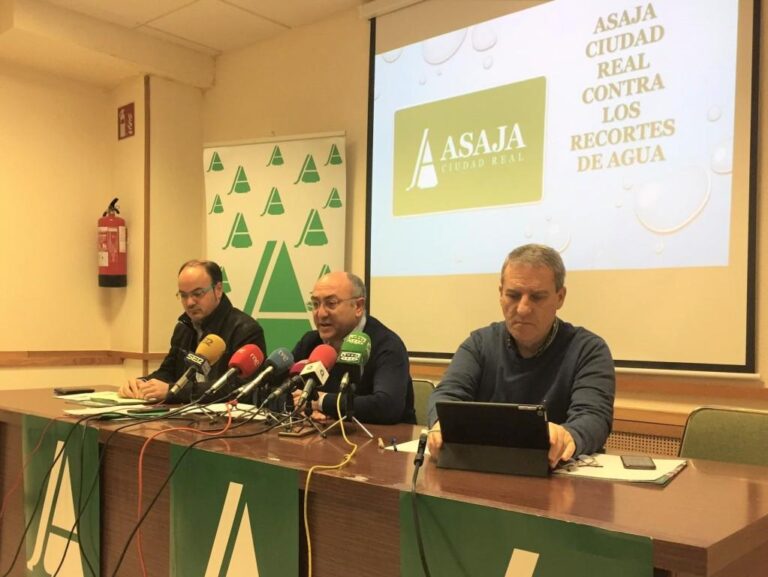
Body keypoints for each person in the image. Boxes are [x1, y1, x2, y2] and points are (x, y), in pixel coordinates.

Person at [426, 244, 615, 467]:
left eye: (537, 297)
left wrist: (568, 435)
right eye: (513, 295)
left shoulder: (589, 350)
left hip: (557, 480)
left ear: (560, 297)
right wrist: (440, 425)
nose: (523, 308)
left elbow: (594, 417)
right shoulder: (479, 344)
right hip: (483, 474)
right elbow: (447, 394)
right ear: (500, 294)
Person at [118, 260, 266, 402]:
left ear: (218, 290)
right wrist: (142, 384)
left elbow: (238, 387)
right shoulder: (184, 328)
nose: (190, 302)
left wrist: (174, 391)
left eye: (197, 294)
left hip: (230, 422)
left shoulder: (245, 330)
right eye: (183, 295)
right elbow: (168, 372)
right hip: (185, 417)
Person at [290, 271, 415, 425]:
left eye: (331, 303)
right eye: (315, 304)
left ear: (358, 306)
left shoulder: (387, 345)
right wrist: (304, 408)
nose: (320, 313)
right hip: (320, 437)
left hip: (383, 442)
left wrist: (320, 402)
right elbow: (278, 391)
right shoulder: (310, 342)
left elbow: (387, 406)